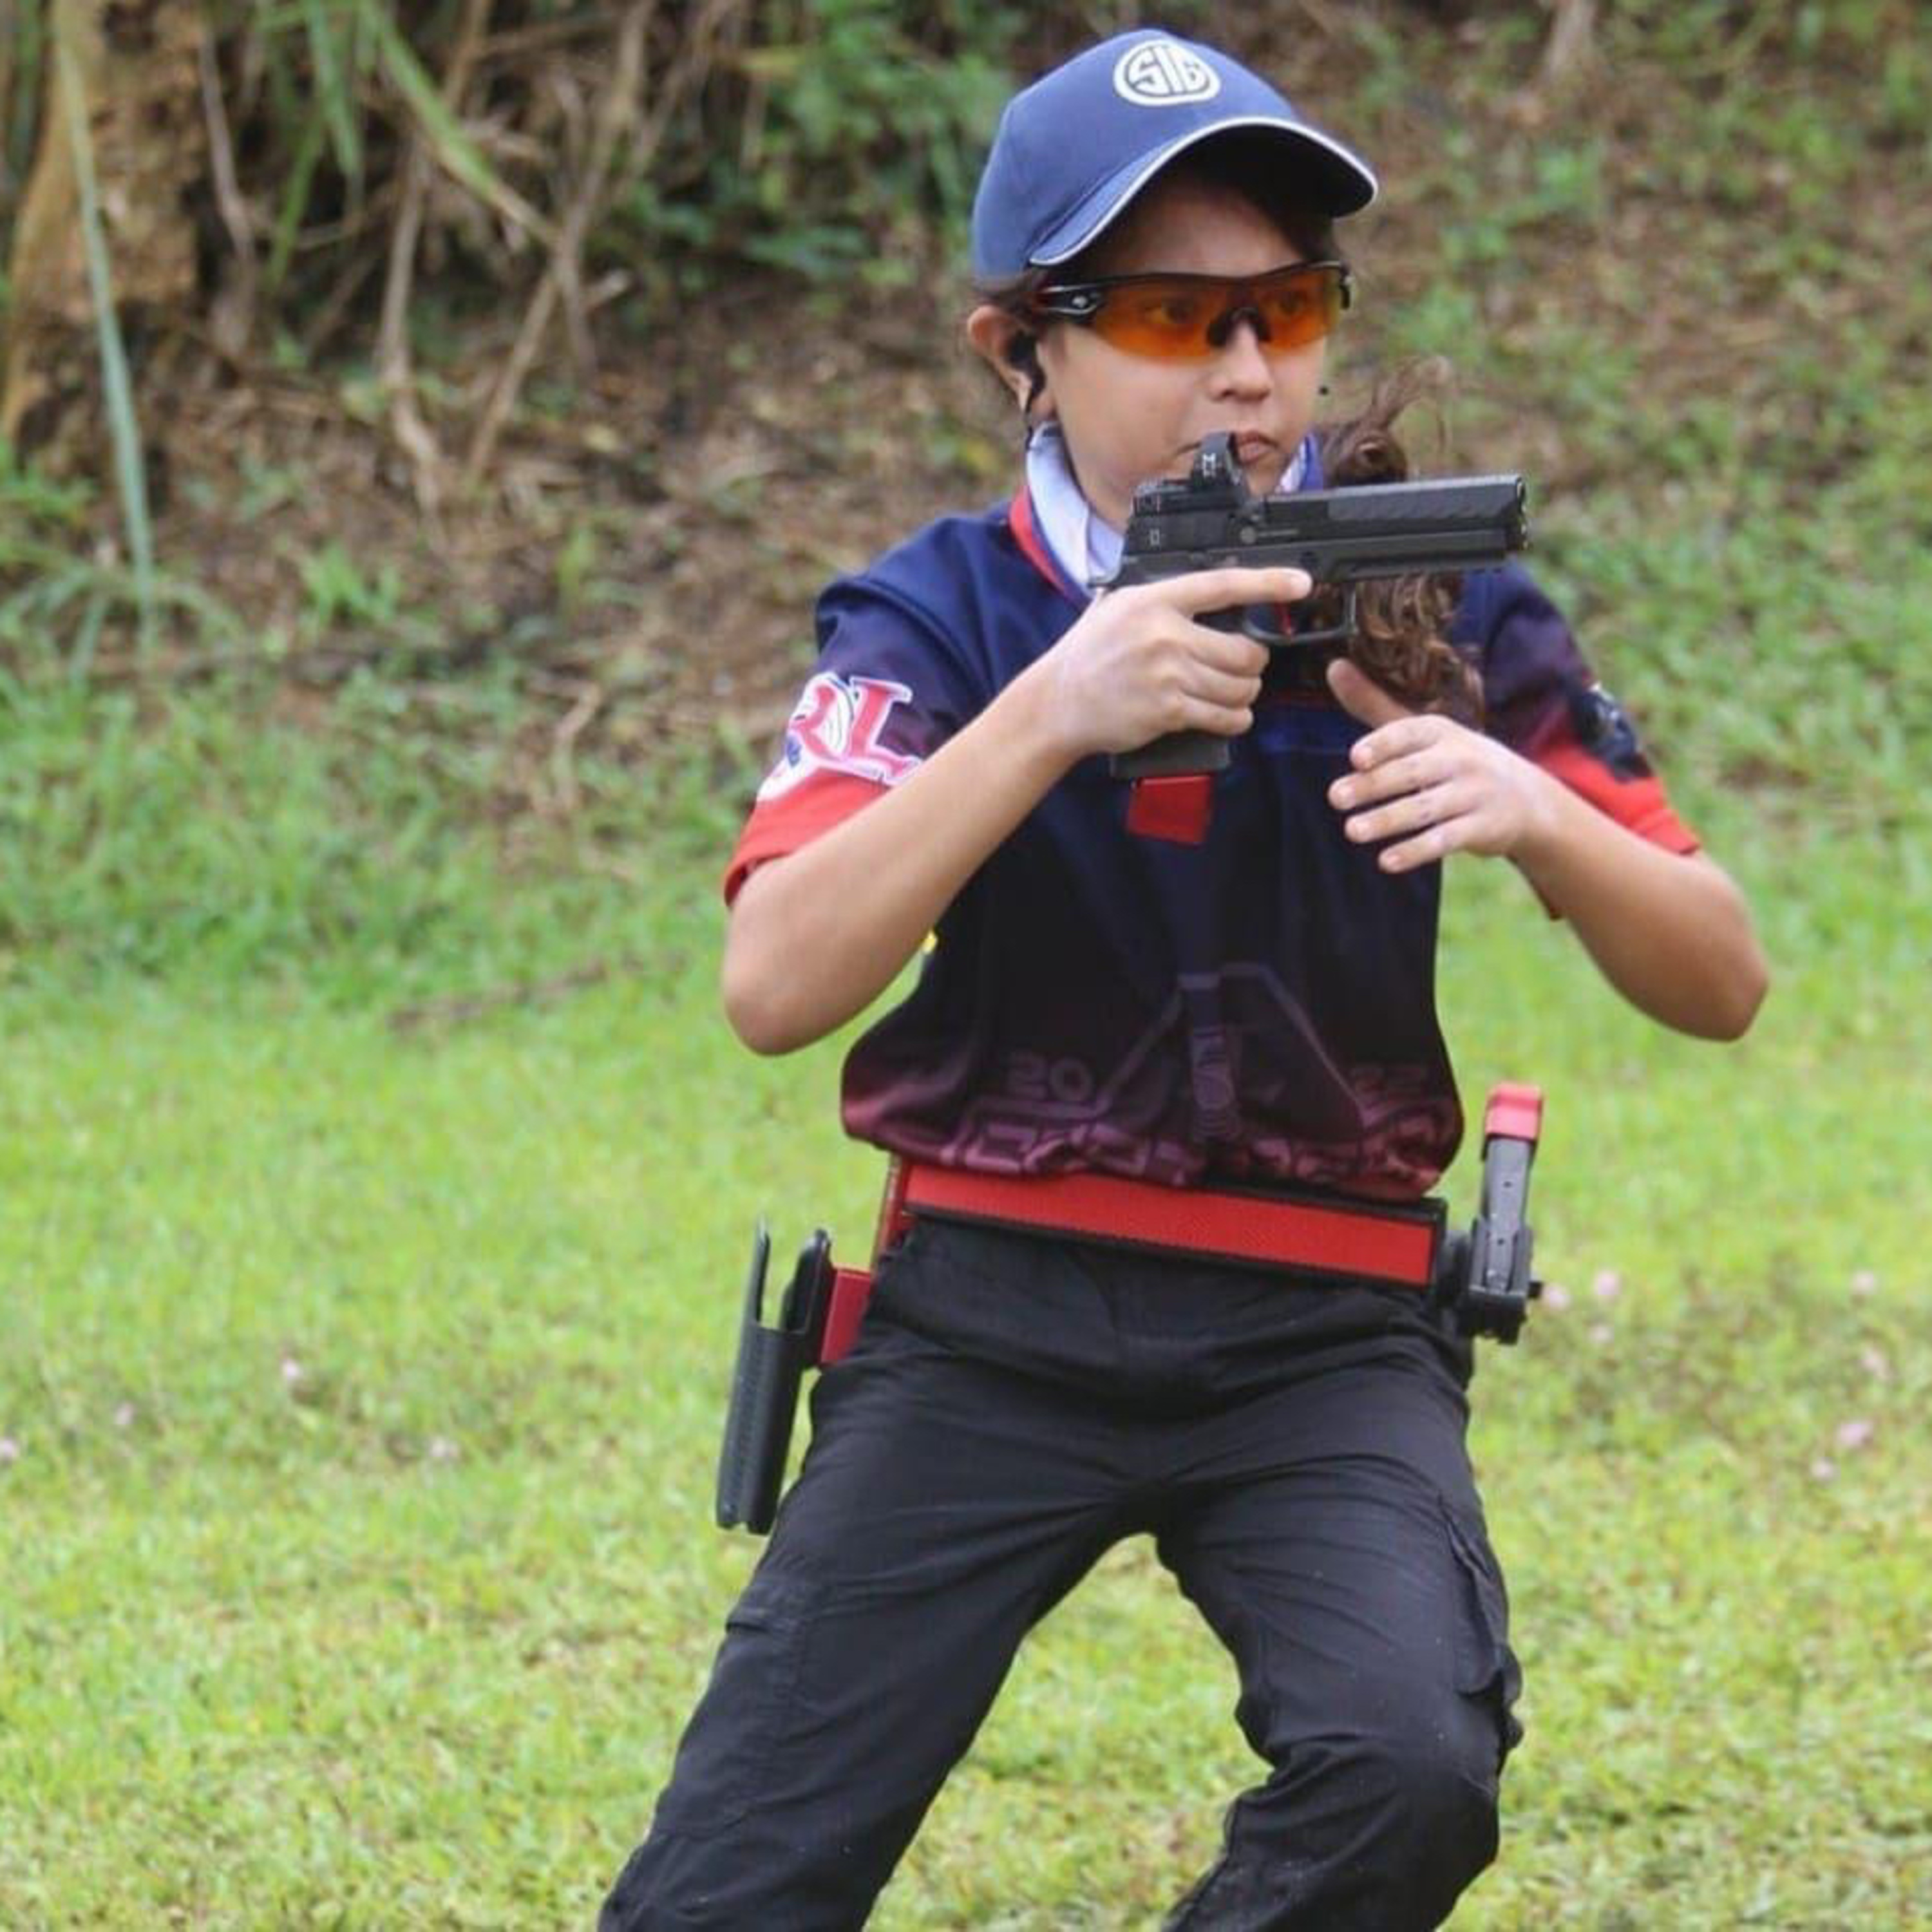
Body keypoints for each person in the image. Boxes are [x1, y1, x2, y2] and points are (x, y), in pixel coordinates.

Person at [600, 28, 1767, 1930]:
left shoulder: (1429, 597)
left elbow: (1721, 978)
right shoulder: (946, 616)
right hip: (991, 1310)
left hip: (1322, 1330)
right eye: (1168, 312)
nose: (1243, 369)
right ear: (1021, 350)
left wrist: (1537, 819)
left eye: (1285, 306)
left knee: (1409, 1772)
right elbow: (776, 978)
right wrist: (1054, 710)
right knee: (725, 1891)